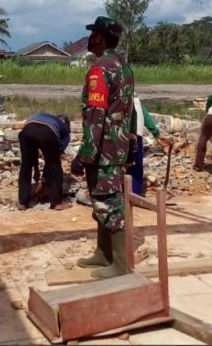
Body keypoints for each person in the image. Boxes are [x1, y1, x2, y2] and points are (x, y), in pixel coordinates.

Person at [70, 16, 135, 279]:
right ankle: (103, 253)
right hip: (117, 146)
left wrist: (85, 154)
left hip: (103, 150)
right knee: (101, 201)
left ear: (99, 37)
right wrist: (131, 147)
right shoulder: (124, 68)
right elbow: (131, 111)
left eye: (92, 34)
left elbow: (96, 115)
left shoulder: (100, 69)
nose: (89, 38)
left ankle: (121, 265)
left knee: (109, 203)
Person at [18, 113, 72, 211]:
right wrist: (44, 179)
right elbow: (54, 158)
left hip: (26, 131)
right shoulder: (65, 130)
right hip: (46, 132)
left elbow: (33, 155)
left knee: (26, 165)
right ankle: (57, 203)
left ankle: (23, 202)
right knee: (55, 166)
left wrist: (38, 174)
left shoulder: (46, 117)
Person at [127, 95, 170, 196]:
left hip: (132, 136)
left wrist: (156, 133)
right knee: (132, 167)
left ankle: (133, 195)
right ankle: (130, 195)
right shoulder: (127, 92)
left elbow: (143, 113)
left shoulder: (132, 94)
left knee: (134, 167)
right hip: (125, 136)